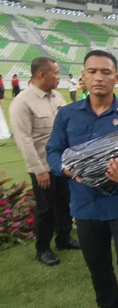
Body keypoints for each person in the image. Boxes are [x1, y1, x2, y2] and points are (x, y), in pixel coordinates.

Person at [46, 50, 118, 308]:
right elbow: (53, 151)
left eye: (106, 72)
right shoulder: (67, 114)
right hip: (86, 205)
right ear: (83, 77)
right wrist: (65, 169)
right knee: (99, 269)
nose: (98, 77)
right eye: (92, 71)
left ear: (117, 78)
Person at [9, 57, 79, 266]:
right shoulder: (22, 102)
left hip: (62, 164)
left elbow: (67, 127)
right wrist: (39, 170)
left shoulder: (57, 97)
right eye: (55, 74)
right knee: (46, 209)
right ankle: (43, 248)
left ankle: (64, 238)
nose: (59, 78)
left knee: (64, 202)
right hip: (42, 167)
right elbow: (24, 140)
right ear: (41, 75)